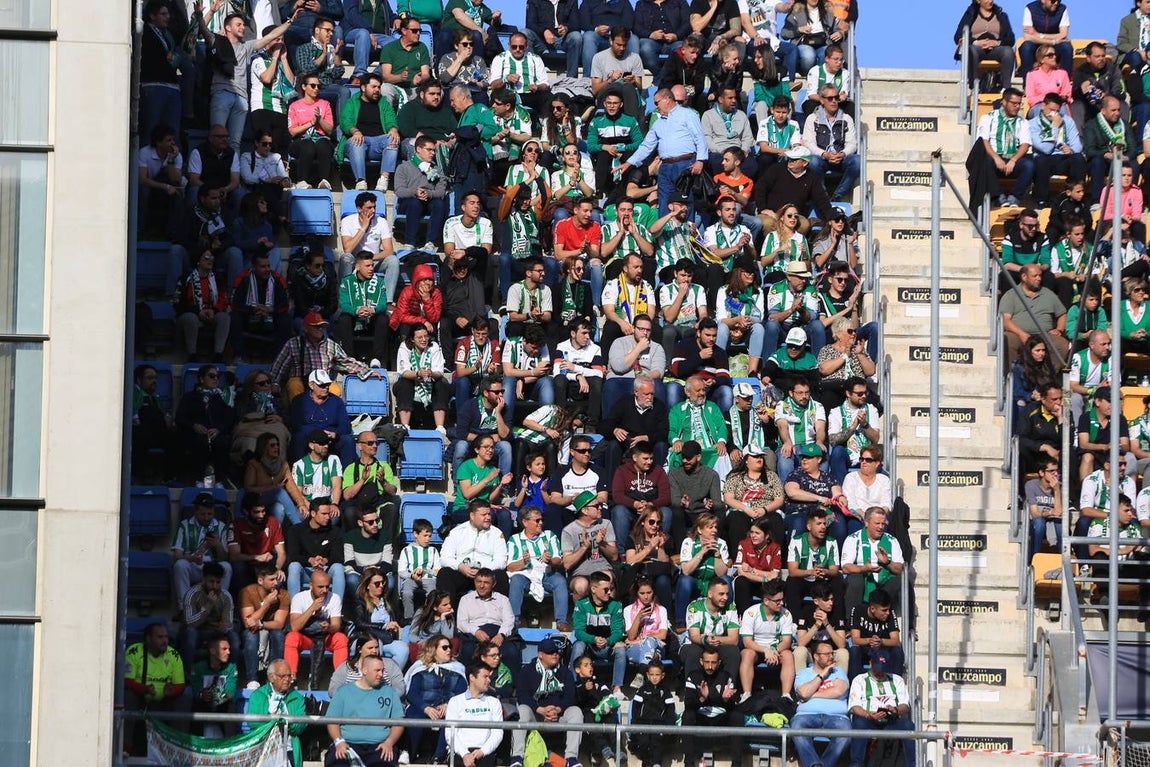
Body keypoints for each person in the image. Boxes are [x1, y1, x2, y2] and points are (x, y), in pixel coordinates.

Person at [616, 87, 709, 216]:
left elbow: (699, 138)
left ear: (667, 99)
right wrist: (629, 163)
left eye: (656, 102)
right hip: (665, 167)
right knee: (664, 202)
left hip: (685, 163)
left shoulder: (688, 115)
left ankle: (687, 233)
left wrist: (700, 160)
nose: (655, 106)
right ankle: (664, 233)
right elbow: (646, 146)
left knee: (685, 201)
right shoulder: (658, 123)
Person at [510, 637, 584, 767]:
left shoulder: (564, 671)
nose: (555, 654)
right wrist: (540, 709)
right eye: (550, 652)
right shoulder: (527, 670)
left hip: (558, 715)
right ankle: (517, 757)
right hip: (537, 715)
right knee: (522, 710)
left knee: (576, 712)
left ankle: (571, 758)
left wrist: (558, 709)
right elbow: (522, 695)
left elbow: (571, 696)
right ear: (540, 655)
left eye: (556, 651)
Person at [326, 655, 406, 767]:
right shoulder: (343, 691)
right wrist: (339, 742)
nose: (381, 674)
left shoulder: (390, 692)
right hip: (348, 744)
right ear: (364, 670)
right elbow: (332, 720)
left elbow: (399, 722)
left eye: (382, 670)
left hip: (380, 746)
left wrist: (389, 743)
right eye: (377, 670)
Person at [123, 623, 187, 753]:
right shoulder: (134, 651)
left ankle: (179, 749)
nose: (165, 641)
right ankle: (125, 748)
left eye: (166, 637)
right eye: (160, 637)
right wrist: (145, 689)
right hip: (141, 699)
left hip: (164, 700)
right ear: (148, 639)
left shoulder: (173, 655)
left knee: (184, 699)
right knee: (127, 696)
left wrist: (172, 691)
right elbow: (127, 681)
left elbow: (180, 685)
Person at [789, 638, 851, 767]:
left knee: (846, 732)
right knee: (797, 727)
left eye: (832, 653)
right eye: (827, 654)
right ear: (816, 657)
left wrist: (812, 694)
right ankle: (814, 763)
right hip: (806, 716)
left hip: (836, 717)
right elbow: (804, 693)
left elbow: (839, 691)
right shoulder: (803, 673)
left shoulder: (838, 671)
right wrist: (822, 675)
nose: (831, 657)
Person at [847, 650, 915, 767]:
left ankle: (912, 764)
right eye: (877, 669)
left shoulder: (897, 679)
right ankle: (856, 765)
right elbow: (854, 706)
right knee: (859, 724)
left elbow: (905, 705)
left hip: (891, 720)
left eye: (883, 669)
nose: (880, 673)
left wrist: (895, 710)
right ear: (871, 664)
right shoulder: (859, 679)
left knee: (908, 725)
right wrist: (868, 714)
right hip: (868, 719)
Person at [507, 505, 569, 629]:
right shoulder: (515, 540)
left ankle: (561, 621)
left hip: (546, 574)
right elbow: (510, 567)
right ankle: (514, 621)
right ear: (525, 522)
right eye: (537, 520)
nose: (541, 523)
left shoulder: (549, 536)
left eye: (541, 520)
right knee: (516, 580)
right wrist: (524, 562)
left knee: (560, 581)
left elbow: (558, 559)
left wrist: (550, 561)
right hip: (525, 575)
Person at [682, 646, 744, 767]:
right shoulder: (693, 676)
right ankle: (689, 764)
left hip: (720, 719)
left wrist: (725, 700)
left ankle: (736, 764)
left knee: (738, 716)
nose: (710, 666)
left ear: (719, 662)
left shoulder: (726, 677)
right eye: (707, 662)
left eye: (713, 662)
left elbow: (734, 705)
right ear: (701, 661)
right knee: (687, 715)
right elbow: (688, 703)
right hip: (701, 718)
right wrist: (702, 699)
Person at [439, 501, 511, 601]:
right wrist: (460, 567)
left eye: (489, 514)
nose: (488, 518)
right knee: (444, 573)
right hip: (462, 572)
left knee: (501, 576)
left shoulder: (496, 533)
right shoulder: (457, 532)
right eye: (483, 515)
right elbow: (444, 558)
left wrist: (484, 570)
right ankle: (450, 614)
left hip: (486, 574)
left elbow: (501, 561)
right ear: (472, 515)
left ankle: (497, 614)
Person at [975, 87, 1035, 207]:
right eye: (1014, 103)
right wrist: (996, 158)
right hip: (994, 158)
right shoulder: (988, 118)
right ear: (1004, 102)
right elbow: (983, 141)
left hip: (1013, 159)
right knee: (984, 162)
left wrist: (1013, 160)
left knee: (1030, 165)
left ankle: (1014, 198)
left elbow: (1025, 145)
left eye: (1019, 104)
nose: (1017, 106)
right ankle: (999, 197)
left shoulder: (1022, 122)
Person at [998, 263, 1069, 364]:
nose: (1039, 278)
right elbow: (1005, 320)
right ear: (1024, 277)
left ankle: (1046, 376)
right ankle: (1013, 375)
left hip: (1044, 335)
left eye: (1040, 275)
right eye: (1035, 276)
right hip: (1018, 334)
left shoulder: (1048, 294)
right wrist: (1021, 334)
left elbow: (1062, 314)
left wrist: (1059, 329)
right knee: (1007, 341)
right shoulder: (1011, 295)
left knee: (1062, 345)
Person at [285, 568, 349, 678]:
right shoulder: (299, 598)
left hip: (325, 639)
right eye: (320, 587)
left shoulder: (334, 598)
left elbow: (336, 626)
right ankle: (291, 677)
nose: (324, 590)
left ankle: (340, 678)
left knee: (341, 638)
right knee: (291, 637)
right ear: (311, 585)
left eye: (327, 586)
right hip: (307, 638)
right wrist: (312, 608)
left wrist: (329, 627)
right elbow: (294, 627)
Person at [841, 506, 904, 618]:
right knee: (855, 579)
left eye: (883, 524)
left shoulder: (892, 540)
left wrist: (887, 563)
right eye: (877, 523)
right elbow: (845, 567)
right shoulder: (853, 539)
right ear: (866, 522)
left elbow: (900, 569)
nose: (881, 527)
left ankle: (907, 627)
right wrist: (863, 569)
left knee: (903, 581)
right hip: (863, 581)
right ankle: (851, 623)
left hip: (884, 586)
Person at [801, 82, 859, 201]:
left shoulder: (846, 118)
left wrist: (843, 154)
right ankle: (822, 195)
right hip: (822, 158)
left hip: (840, 158)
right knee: (812, 161)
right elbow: (808, 143)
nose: (834, 101)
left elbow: (852, 143)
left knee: (858, 161)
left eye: (836, 98)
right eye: (830, 98)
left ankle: (838, 195)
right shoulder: (812, 118)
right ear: (822, 100)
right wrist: (824, 154)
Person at [572, 570, 628, 691]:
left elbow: (618, 632)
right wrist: (593, 639)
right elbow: (579, 632)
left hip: (607, 646)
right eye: (605, 589)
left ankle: (617, 688)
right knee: (578, 645)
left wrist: (607, 641)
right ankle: (573, 684)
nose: (609, 592)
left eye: (610, 589)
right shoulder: (582, 605)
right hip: (589, 646)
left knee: (621, 648)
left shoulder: (616, 605)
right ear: (593, 589)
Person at [738, 577, 794, 698]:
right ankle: (746, 694)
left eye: (782, 599)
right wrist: (765, 650)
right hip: (756, 649)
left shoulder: (786, 614)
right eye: (777, 601)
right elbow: (747, 642)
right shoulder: (751, 613)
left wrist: (773, 650)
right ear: (766, 601)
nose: (782, 603)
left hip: (776, 649)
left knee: (788, 655)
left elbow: (787, 641)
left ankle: (786, 695)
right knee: (747, 654)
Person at [172, 491, 232, 602]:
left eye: (210, 514)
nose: (206, 518)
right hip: (193, 566)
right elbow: (177, 555)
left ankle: (219, 605)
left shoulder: (221, 527)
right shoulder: (184, 525)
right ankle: (184, 606)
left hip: (213, 567)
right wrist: (192, 558)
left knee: (227, 567)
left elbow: (224, 558)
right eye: (202, 514)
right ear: (195, 512)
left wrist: (218, 545)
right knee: (180, 565)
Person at [179, 561, 238, 673]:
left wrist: (225, 626)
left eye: (218, 582)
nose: (215, 586)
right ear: (204, 579)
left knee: (234, 638)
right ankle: (187, 675)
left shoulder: (225, 596)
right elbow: (190, 623)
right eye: (211, 582)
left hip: (217, 632)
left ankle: (231, 674)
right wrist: (207, 607)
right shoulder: (192, 594)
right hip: (198, 631)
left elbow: (228, 623)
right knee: (190, 634)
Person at [456, 568, 521, 670]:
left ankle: (512, 685)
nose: (481, 586)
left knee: (511, 651)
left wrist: (501, 635)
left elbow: (509, 620)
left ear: (493, 584)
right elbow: (461, 623)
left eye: (486, 583)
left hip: (498, 634)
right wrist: (476, 631)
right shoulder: (466, 599)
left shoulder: (503, 599)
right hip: (475, 636)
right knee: (467, 650)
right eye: (479, 582)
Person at [248, 659, 307, 767]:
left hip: (288, 749)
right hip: (262, 749)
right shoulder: (258, 695)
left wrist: (286, 723)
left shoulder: (297, 698)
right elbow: (253, 723)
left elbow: (300, 727)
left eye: (289, 676)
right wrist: (275, 720)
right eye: (282, 676)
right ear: (271, 677)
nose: (287, 680)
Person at [238, 562, 289, 686]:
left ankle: (272, 680)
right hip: (252, 630)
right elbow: (247, 623)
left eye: (276, 579)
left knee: (278, 634)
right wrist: (266, 604)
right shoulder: (247, 592)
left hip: (269, 627)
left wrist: (261, 624)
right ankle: (252, 680)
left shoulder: (283, 595)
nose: (276, 583)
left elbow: (279, 624)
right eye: (271, 579)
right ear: (260, 580)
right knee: (250, 635)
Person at [395, 135, 450, 251]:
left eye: (434, 150)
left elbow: (440, 192)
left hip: (430, 201)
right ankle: (410, 242)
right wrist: (415, 192)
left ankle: (431, 242)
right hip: (409, 202)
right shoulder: (403, 167)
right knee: (415, 203)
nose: (433, 153)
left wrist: (428, 193)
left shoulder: (437, 169)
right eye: (429, 150)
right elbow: (399, 191)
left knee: (439, 204)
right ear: (419, 149)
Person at [562, 492, 620, 601]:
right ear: (584, 510)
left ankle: (608, 615)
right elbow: (567, 563)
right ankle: (580, 616)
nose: (600, 508)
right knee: (580, 585)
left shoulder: (605, 524)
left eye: (600, 505)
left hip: (602, 569)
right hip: (579, 574)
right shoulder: (569, 531)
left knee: (607, 579)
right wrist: (584, 547)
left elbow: (614, 556)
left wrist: (601, 544)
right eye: (596, 506)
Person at [444, 663, 504, 767]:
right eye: (485, 677)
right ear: (472, 677)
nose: (489, 680)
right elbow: (450, 734)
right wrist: (465, 754)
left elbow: (498, 733)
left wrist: (483, 751)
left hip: (485, 753)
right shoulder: (455, 701)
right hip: (459, 752)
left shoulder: (494, 702)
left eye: (489, 677)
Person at [286, 496, 346, 598]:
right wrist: (310, 560)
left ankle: (337, 608)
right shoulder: (296, 530)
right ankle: (295, 608)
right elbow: (292, 555)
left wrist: (324, 560)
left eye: (329, 514)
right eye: (324, 514)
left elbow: (338, 556)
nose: (328, 517)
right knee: (294, 567)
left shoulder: (335, 532)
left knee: (338, 568)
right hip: (306, 571)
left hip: (325, 570)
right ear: (313, 513)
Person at [288, 373, 354, 465]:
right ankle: (296, 475)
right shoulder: (299, 400)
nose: (326, 388)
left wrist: (335, 433)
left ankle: (347, 476)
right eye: (322, 385)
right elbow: (295, 424)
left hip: (330, 438)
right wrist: (317, 433)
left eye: (327, 385)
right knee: (298, 438)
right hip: (309, 437)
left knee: (348, 441)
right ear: (311, 385)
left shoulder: (336, 401)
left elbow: (346, 426)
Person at [1083, 95, 1138, 204]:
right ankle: (1097, 201)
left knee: (1134, 164)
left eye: (1118, 110)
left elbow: (1133, 148)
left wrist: (1126, 157)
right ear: (1103, 111)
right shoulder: (1092, 125)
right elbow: (1089, 150)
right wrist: (1105, 154)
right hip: (1102, 160)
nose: (1117, 113)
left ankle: (1130, 199)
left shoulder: (1125, 125)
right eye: (1113, 110)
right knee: (1097, 162)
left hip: (1122, 158)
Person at [681, 578, 741, 675]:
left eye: (727, 594)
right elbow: (694, 637)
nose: (725, 598)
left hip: (718, 644)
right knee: (693, 652)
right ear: (710, 594)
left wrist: (712, 639)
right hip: (696, 645)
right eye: (721, 594)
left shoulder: (731, 608)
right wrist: (705, 640)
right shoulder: (695, 607)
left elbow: (734, 640)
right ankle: (692, 687)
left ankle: (728, 687)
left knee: (733, 651)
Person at [287, 73, 337, 189]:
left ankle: (324, 181)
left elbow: (329, 130)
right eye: (313, 86)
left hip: (321, 138)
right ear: (304, 87)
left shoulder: (325, 104)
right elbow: (292, 132)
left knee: (323, 144)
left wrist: (319, 119)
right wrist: (310, 123)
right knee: (308, 144)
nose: (316, 89)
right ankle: (301, 181)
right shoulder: (295, 106)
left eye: (318, 86)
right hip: (300, 140)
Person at [229, 492, 288, 590]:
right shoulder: (237, 525)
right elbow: (234, 556)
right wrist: (257, 557)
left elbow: (282, 553)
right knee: (238, 566)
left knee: (280, 576)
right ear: (246, 512)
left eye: (263, 511)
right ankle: (243, 601)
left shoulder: (273, 522)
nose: (261, 515)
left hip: (268, 565)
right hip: (247, 564)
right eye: (256, 512)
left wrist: (276, 569)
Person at [954, 0, 1016, 87]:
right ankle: (974, 86)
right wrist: (976, 42)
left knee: (1008, 52)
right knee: (972, 50)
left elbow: (1011, 39)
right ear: (978, 1)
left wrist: (997, 43)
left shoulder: (1001, 15)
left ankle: (1005, 87)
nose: (990, 1)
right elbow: (958, 36)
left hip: (995, 49)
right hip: (977, 48)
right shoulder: (970, 15)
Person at [342, 431, 400, 522]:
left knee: (391, 509)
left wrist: (383, 481)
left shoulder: (384, 466)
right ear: (359, 446)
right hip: (358, 505)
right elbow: (347, 495)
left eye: (376, 443)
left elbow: (393, 492)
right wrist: (362, 480)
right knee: (349, 512)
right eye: (370, 443)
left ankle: (386, 536)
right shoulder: (351, 468)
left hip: (378, 504)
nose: (374, 446)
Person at [629, 662, 678, 767]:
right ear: (647, 675)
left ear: (663, 675)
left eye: (657, 675)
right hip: (643, 724)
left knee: (657, 741)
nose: (654, 678)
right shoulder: (642, 690)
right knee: (643, 741)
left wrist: (670, 728)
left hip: (659, 724)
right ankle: (646, 763)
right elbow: (635, 710)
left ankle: (656, 763)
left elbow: (670, 712)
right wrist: (634, 726)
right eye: (652, 675)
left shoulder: (666, 692)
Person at [847, 589, 904, 680]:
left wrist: (881, 641)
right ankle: (854, 686)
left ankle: (897, 685)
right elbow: (855, 639)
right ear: (873, 609)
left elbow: (896, 640)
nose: (887, 613)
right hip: (865, 649)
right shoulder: (858, 610)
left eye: (888, 609)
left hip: (883, 649)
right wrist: (869, 640)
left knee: (897, 650)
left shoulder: (890, 613)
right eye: (884, 610)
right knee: (854, 650)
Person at [523, 0, 583, 77]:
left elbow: (576, 24)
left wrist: (566, 28)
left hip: (563, 39)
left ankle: (572, 78)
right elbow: (530, 23)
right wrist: (544, 30)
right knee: (525, 33)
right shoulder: (534, 1)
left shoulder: (571, 1)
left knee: (576, 37)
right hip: (541, 39)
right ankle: (530, 76)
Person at [1026, 458, 1064, 559]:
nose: (1055, 474)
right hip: (1037, 520)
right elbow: (1034, 513)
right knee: (1039, 523)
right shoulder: (1031, 485)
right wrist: (1048, 513)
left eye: (1057, 471)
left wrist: (1056, 490)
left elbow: (1059, 513)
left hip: (1054, 520)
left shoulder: (1060, 487)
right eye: (1052, 471)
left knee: (1060, 524)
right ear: (1042, 473)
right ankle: (1034, 557)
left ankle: (1062, 559)